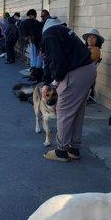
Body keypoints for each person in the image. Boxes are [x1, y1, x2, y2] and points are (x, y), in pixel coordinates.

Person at [41, 18, 96, 162]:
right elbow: (50, 61)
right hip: (88, 70)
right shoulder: (63, 31)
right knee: (77, 111)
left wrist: (54, 81)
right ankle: (73, 148)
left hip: (76, 73)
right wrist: (47, 82)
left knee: (64, 110)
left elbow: (57, 61)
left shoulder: (49, 35)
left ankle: (61, 151)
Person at [21, 9, 43, 82]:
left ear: (30, 15)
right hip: (40, 42)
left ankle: (33, 73)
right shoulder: (38, 23)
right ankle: (37, 73)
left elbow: (24, 34)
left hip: (32, 41)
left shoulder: (25, 23)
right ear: (34, 15)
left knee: (33, 56)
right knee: (38, 57)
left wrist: (27, 38)